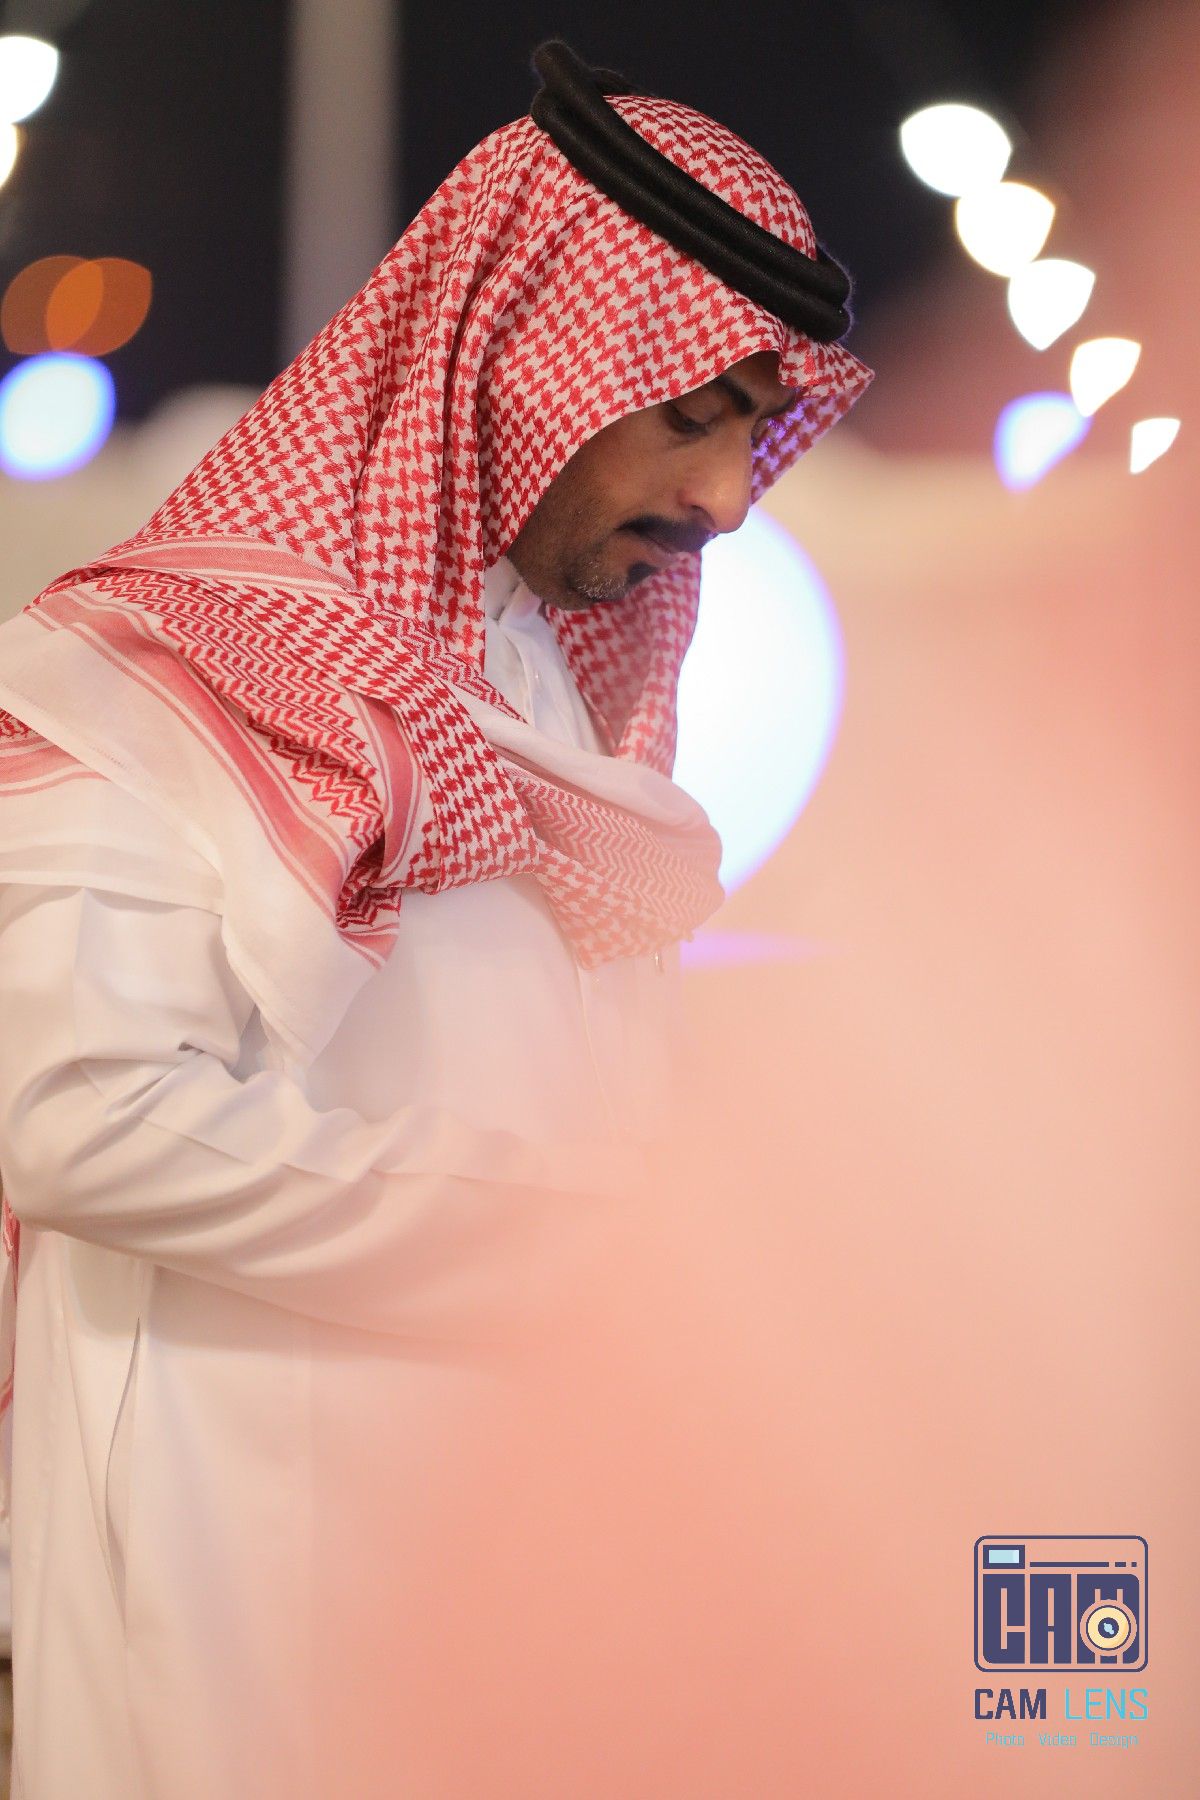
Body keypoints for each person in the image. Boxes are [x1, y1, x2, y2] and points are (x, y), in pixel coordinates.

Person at [0, 41, 871, 1800]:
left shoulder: (560, 686)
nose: (726, 500)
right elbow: (74, 1118)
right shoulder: (178, 665)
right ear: (531, 355)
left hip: (504, 1567)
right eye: (691, 415)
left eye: (753, 434)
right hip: (246, 1551)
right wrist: (562, 1239)